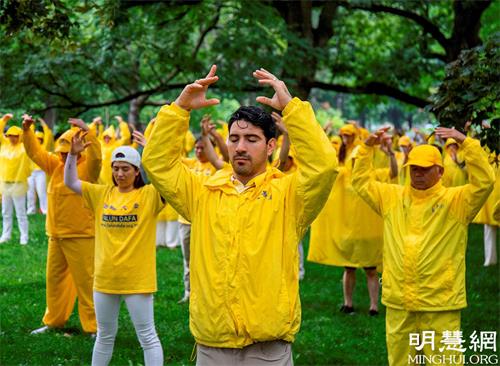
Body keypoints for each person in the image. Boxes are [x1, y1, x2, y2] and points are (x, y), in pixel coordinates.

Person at [142, 65, 337, 365]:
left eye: (252, 139)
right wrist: (179, 109)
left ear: (271, 146)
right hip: (212, 342)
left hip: (268, 347)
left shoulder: (290, 195)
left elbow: (323, 167)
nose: (240, 147)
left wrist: (292, 110)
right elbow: (157, 163)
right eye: (234, 139)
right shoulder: (202, 191)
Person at [351, 126, 495, 365]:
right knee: (401, 361)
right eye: (414, 169)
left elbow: (485, 182)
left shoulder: (456, 201)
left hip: (439, 301)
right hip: (399, 301)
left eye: (425, 170)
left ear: (439, 171)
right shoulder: (391, 197)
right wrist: (366, 148)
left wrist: (466, 143)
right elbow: (361, 182)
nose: (417, 174)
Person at [65, 133, 164, 366]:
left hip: (137, 280)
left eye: (126, 169)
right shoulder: (102, 194)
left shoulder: (149, 195)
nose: (120, 174)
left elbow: (166, 180)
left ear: (137, 171)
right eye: (116, 168)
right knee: (104, 336)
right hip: (105, 279)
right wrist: (72, 154)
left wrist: (151, 152)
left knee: (147, 337)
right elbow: (71, 182)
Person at [23, 116, 100, 336]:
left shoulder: (89, 169)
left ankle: (94, 327)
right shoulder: (55, 165)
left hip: (82, 235)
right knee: (54, 281)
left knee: (87, 283)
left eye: (69, 152)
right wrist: (28, 132)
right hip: (56, 235)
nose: (65, 156)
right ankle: (54, 321)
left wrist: (89, 132)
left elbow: (97, 157)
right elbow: (35, 153)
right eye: (62, 152)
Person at [0, 114, 32, 245]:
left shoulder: (24, 147)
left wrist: (26, 124)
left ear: (19, 136)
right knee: (6, 212)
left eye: (15, 135)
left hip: (18, 183)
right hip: (5, 183)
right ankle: (5, 235)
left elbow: (29, 137)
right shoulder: (4, 145)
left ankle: (24, 236)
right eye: (10, 135)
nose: (12, 138)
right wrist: (4, 120)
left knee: (21, 212)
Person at [27, 118, 53, 215]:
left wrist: (43, 123)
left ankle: (45, 210)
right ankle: (31, 210)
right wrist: (31, 125)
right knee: (30, 192)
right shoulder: (31, 146)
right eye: (36, 138)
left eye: (40, 139)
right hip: (30, 172)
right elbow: (29, 134)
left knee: (41, 192)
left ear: (42, 140)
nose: (38, 140)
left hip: (40, 172)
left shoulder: (44, 147)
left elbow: (48, 134)